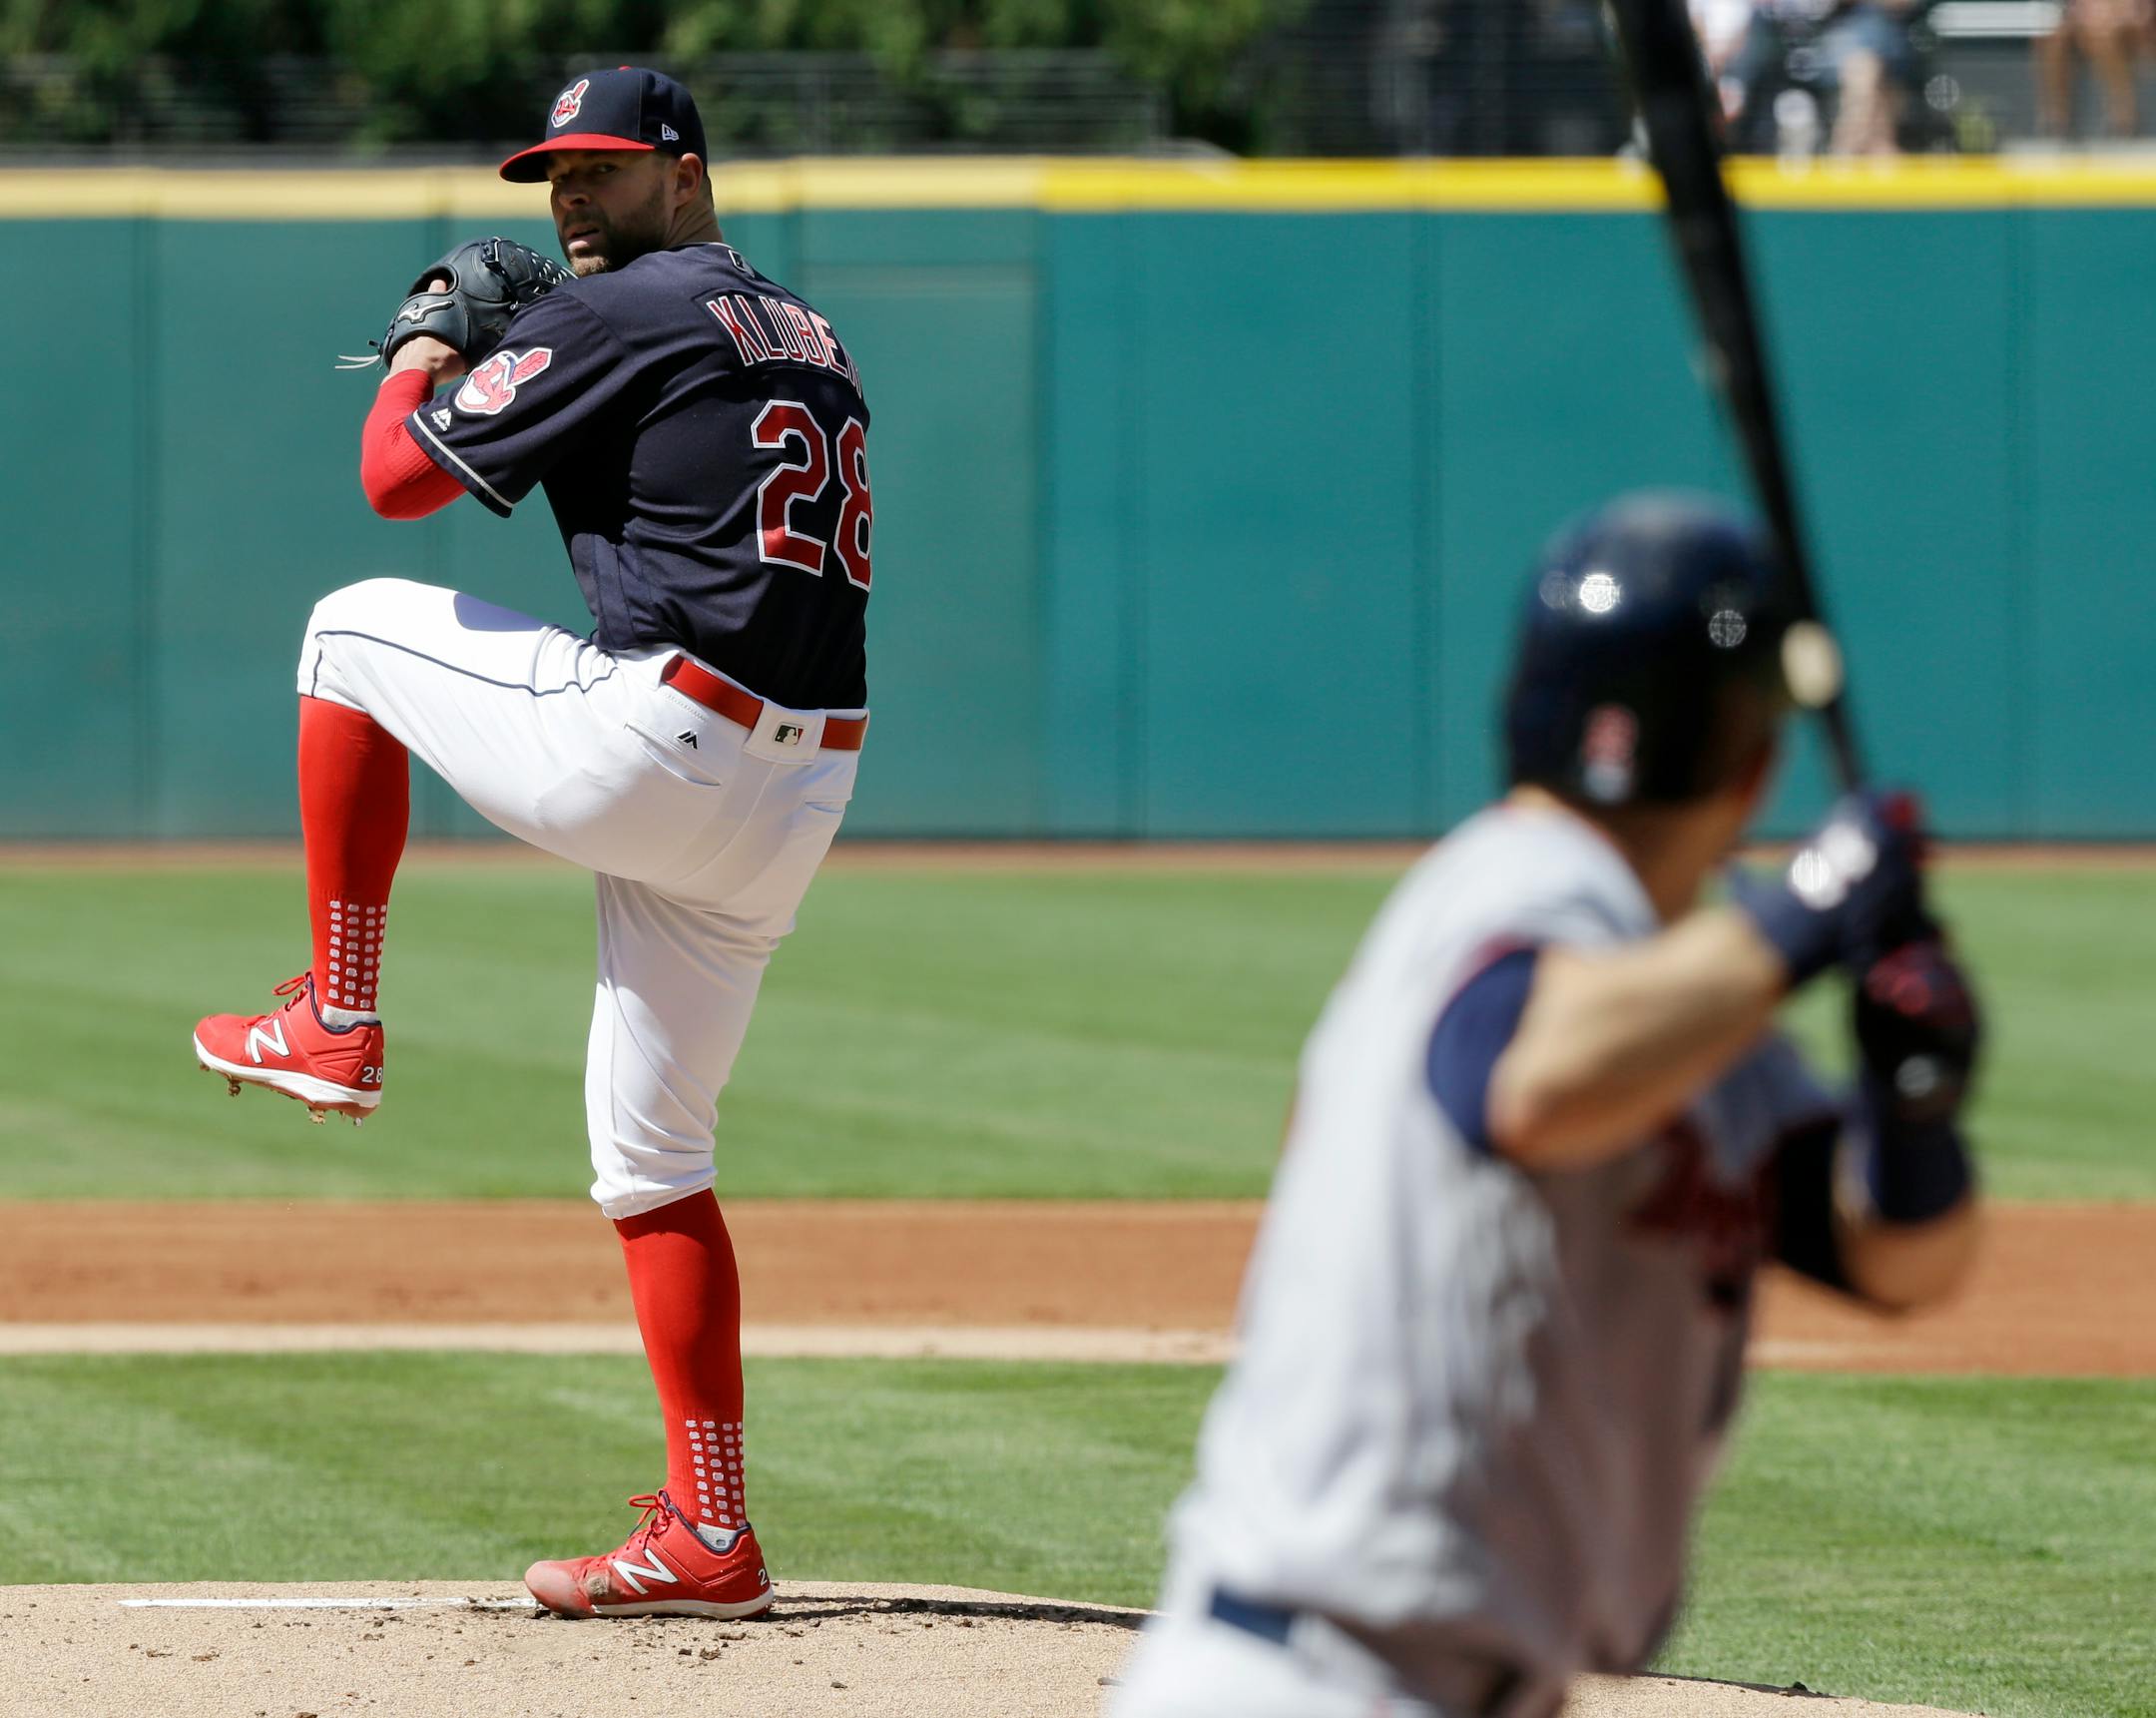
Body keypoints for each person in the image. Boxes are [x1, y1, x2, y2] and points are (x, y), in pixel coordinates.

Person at [1109, 493, 1981, 1717]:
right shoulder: (1513, 885)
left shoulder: (1681, 984)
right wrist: (1817, 904)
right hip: (1312, 1676)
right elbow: (1532, 1081)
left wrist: (1917, 1106)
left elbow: (1897, 1261)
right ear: (1756, 761)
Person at [190, 66, 875, 1619]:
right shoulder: (809, 331)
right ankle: (712, 1532)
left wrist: (430, 337)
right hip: (802, 786)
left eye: (606, 170)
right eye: (554, 174)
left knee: (346, 629)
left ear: (685, 176)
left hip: (672, 737)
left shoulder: (628, 308)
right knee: (653, 1164)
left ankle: (338, 1013)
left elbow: (391, 479)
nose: (571, 199)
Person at [2037, 0, 2153, 140]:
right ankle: (2057, 122)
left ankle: (2123, 119)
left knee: (2102, 35)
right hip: (2090, 18)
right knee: (2054, 37)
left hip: (2133, 19)